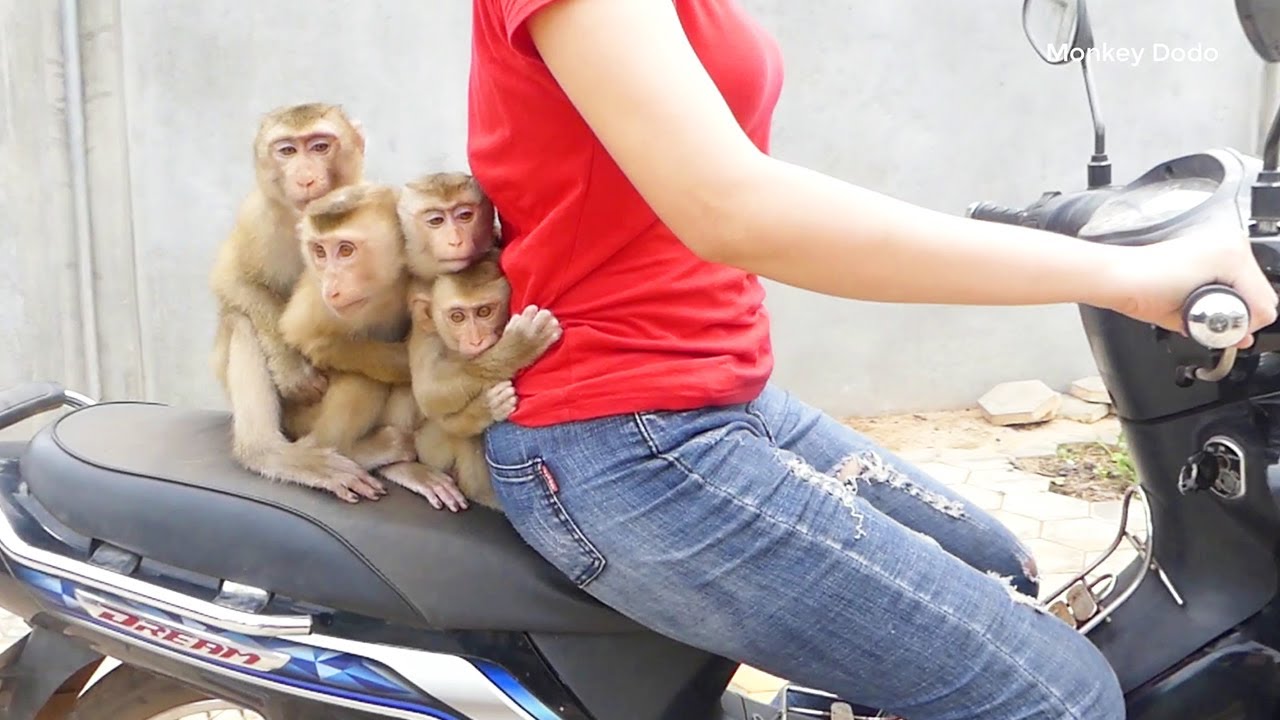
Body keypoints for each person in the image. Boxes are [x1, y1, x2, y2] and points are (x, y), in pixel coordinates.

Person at [466, 1, 1279, 717]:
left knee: (1003, 569)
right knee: (1057, 697)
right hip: (620, 439)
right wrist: (1126, 277)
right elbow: (730, 207)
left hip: (715, 396)